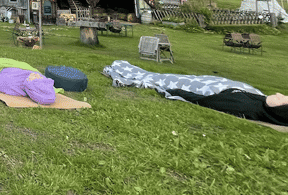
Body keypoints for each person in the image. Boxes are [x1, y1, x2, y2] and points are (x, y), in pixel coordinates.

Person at [103, 59, 288, 126]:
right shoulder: (258, 97)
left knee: (159, 78)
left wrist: (171, 91)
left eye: (283, 100)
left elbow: (201, 98)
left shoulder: (243, 106)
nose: (280, 94)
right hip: (214, 82)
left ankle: (127, 72)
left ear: (279, 113)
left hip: (204, 88)